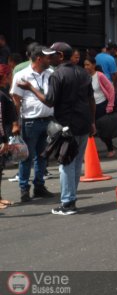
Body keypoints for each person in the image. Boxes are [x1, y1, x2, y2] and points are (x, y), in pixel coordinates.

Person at [17, 42, 95, 216]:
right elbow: (91, 100)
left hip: (67, 127)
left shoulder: (57, 75)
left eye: (51, 55)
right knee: (75, 163)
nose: (48, 58)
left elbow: (50, 101)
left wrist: (31, 88)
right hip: (83, 124)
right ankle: (71, 198)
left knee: (66, 163)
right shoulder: (83, 73)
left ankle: (68, 203)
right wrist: (92, 122)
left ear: (60, 55)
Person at [10, 45, 56, 202]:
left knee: (43, 156)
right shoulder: (22, 75)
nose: (51, 60)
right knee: (26, 157)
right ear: (39, 58)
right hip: (30, 122)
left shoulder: (51, 74)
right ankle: (24, 188)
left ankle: (39, 186)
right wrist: (15, 123)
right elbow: (16, 101)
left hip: (48, 121)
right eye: (48, 57)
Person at [84, 55, 116, 157]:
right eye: (84, 65)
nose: (86, 67)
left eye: (88, 64)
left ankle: (110, 148)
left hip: (101, 106)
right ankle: (90, 152)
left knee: (103, 129)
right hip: (89, 107)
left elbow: (111, 89)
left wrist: (110, 105)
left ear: (93, 65)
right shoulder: (84, 77)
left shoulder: (100, 75)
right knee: (89, 129)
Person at [0, 64, 19, 209]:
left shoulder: (4, 92)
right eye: (10, 75)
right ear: (5, 76)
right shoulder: (1, 95)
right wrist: (4, 140)